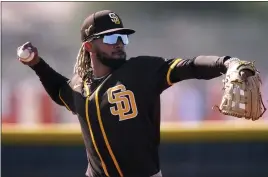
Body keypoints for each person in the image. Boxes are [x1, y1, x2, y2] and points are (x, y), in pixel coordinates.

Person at [17, 10, 254, 177]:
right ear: (89, 46)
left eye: (123, 37)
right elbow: (60, 91)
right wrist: (37, 64)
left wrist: (226, 62)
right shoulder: (80, 87)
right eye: (111, 37)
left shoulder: (141, 71)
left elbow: (188, 66)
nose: (119, 42)